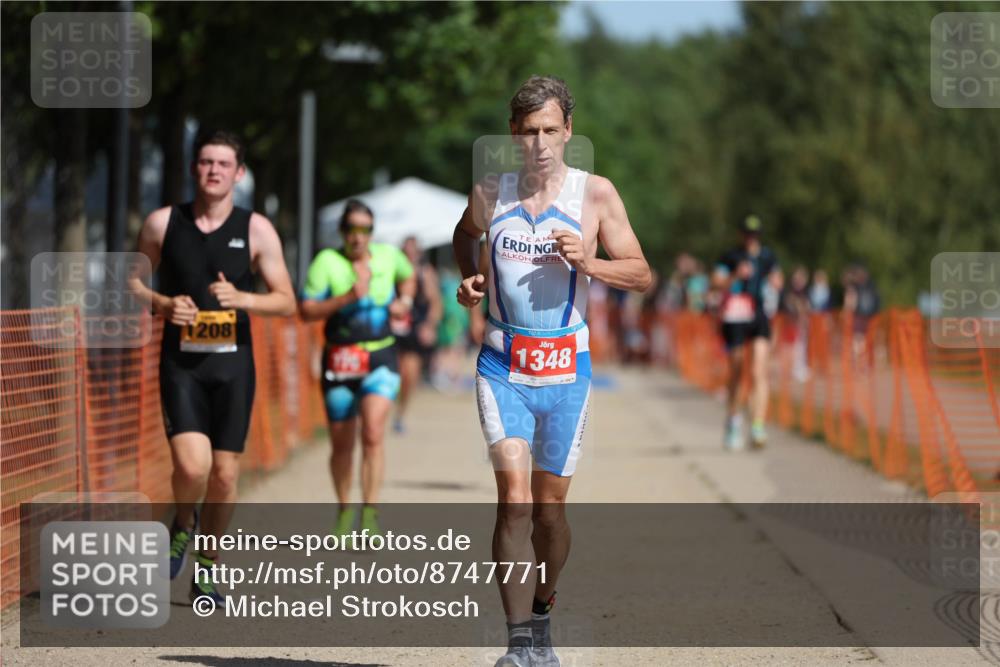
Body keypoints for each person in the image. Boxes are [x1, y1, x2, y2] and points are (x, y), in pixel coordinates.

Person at [452, 75, 652, 667]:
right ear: (514, 135)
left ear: (568, 131)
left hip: (567, 373)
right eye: (527, 132)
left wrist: (589, 262)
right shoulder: (493, 191)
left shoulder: (596, 196)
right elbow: (465, 234)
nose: (539, 143)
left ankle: (542, 613)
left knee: (549, 513)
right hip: (503, 366)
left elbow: (641, 273)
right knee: (513, 503)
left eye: (549, 130)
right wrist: (472, 278)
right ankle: (516, 645)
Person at [132, 129, 296, 606]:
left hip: (233, 367)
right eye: (206, 162)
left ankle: (208, 563)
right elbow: (133, 282)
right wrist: (161, 302)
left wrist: (242, 298)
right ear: (193, 168)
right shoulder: (163, 223)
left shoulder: (256, 229)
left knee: (224, 476)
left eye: (224, 164)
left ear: (238, 173)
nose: (214, 171)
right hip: (181, 364)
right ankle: (184, 521)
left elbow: (286, 301)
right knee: (191, 464)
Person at [299, 199, 415, 538]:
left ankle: (370, 513)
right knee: (341, 445)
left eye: (364, 229)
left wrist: (404, 302)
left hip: (380, 357)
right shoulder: (327, 263)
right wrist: (347, 297)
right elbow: (306, 310)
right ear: (342, 231)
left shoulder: (389, 257)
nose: (358, 237)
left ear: (372, 232)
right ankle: (344, 509)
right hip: (339, 361)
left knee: (373, 433)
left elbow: (408, 279)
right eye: (351, 229)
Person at [711, 214, 781, 450]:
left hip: (758, 314)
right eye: (748, 234)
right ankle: (733, 420)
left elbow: (778, 278)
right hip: (736, 315)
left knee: (759, 370)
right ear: (741, 234)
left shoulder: (768, 256)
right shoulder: (730, 256)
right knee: (738, 370)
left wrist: (776, 282)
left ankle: (758, 425)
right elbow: (716, 282)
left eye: (755, 234)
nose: (752, 239)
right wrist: (735, 275)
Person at [394, 236, 442, 433]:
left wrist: (429, 326)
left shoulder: (426, 272)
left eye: (413, 251)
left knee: (409, 375)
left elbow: (436, 302)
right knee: (393, 373)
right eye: (406, 252)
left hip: (415, 327)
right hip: (393, 325)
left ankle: (401, 413)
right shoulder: (393, 270)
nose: (409, 255)